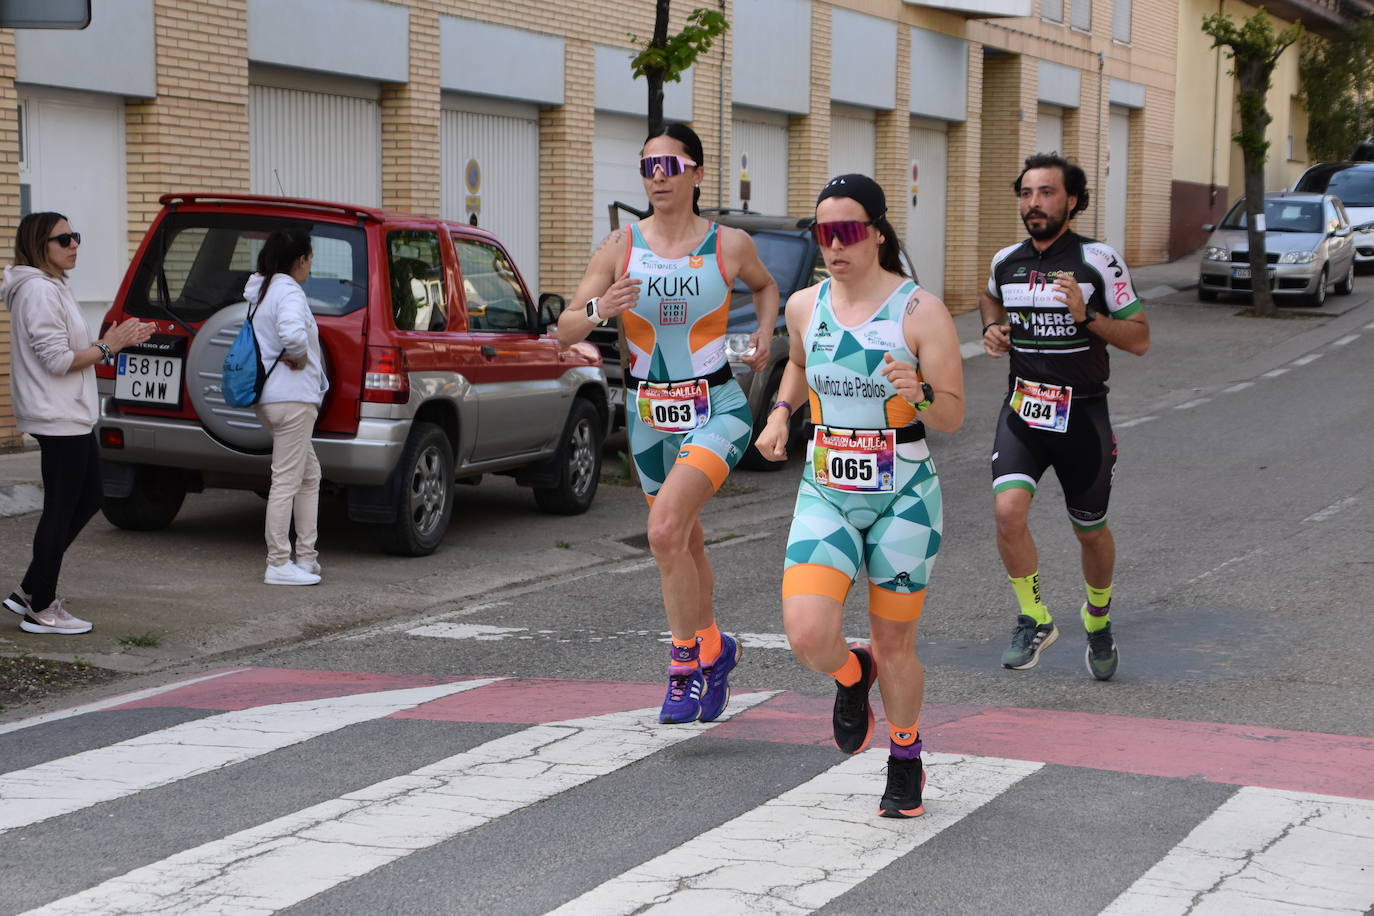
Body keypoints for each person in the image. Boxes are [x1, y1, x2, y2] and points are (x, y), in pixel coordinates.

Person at [754, 174, 964, 818]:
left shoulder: (919, 312)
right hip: (826, 488)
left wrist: (922, 393)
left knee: (896, 643)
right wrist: (782, 413)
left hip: (905, 494)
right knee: (808, 634)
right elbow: (797, 364)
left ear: (876, 232)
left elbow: (954, 415)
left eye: (847, 231)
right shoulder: (804, 305)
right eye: (824, 232)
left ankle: (906, 759)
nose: (835, 245)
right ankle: (852, 675)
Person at [558, 123, 779, 724]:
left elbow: (765, 286)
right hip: (647, 413)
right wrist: (601, 308)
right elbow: (565, 331)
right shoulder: (619, 247)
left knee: (663, 532)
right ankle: (716, 647)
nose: (657, 175)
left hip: (717, 408)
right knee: (683, 538)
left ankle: (683, 666)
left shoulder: (728, 244)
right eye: (647, 166)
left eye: (670, 165)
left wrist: (763, 331)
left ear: (698, 173)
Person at [978, 152, 1150, 680]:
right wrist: (993, 328)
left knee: (1091, 532)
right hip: (1024, 410)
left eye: (1046, 193)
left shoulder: (1098, 260)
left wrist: (1087, 316)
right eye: (1026, 193)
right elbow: (990, 299)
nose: (1034, 203)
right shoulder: (1006, 261)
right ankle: (1034, 618)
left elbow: (1140, 338)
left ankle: (1097, 618)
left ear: (1071, 200)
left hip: (1083, 417)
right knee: (1007, 512)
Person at [1, 211, 154, 634]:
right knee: (62, 508)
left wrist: (116, 343)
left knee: (89, 498)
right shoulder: (37, 292)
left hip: (70, 412)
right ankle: (42, 608)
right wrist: (110, 345)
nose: (74, 245)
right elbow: (57, 361)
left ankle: (29, 590)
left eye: (75, 237)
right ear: (39, 246)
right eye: (63, 239)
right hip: (56, 415)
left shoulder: (52, 287)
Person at [244, 228, 329, 586]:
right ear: (300, 260)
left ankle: (307, 558)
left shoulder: (260, 291)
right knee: (286, 481)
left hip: (270, 398)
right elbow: (293, 334)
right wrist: (300, 354)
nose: (311, 265)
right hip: (293, 399)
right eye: (310, 258)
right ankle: (278, 562)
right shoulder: (289, 292)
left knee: (309, 475)